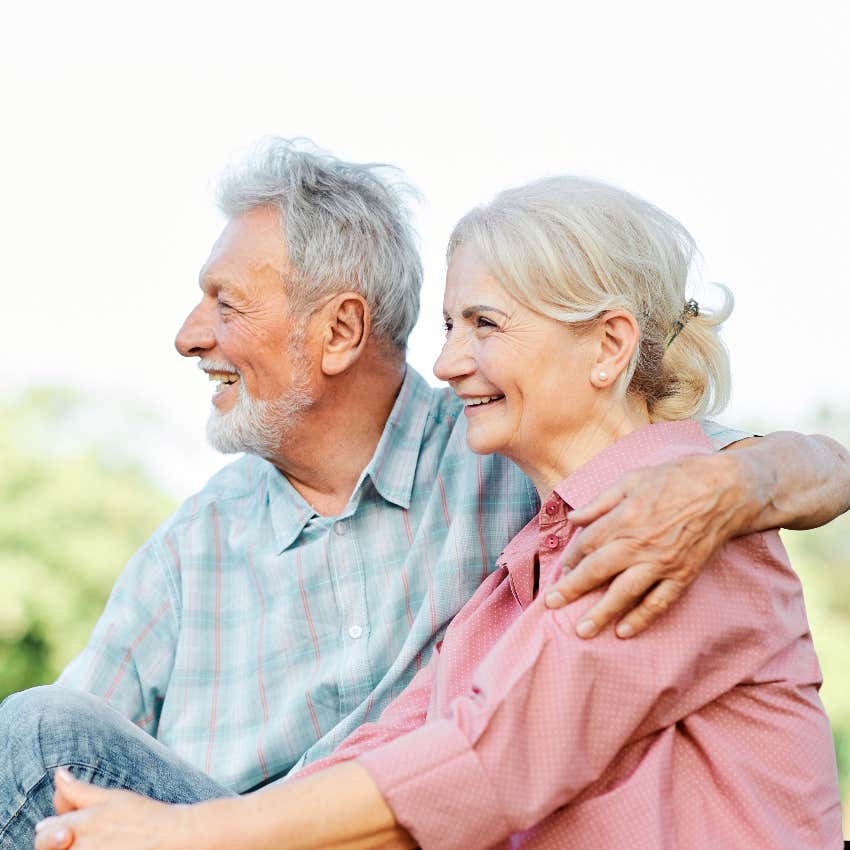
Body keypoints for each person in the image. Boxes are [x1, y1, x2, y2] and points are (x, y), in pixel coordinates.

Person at [3, 143, 848, 847]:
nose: (445, 363)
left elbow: (483, 762)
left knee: (42, 739)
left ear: (607, 346)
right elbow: (411, 734)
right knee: (45, 749)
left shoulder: (671, 516)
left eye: (483, 325)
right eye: (451, 327)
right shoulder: (524, 564)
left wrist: (742, 483)